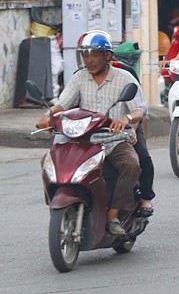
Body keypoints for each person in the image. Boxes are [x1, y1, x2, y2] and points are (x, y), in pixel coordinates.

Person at [37, 32, 145, 236]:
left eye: (94, 55)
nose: (89, 60)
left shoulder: (124, 78)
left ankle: (113, 214)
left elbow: (140, 108)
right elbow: (62, 104)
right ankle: (57, 205)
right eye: (85, 55)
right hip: (83, 140)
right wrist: (47, 115)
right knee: (47, 161)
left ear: (107, 56)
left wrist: (126, 120)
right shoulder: (79, 78)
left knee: (131, 164)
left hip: (113, 140)